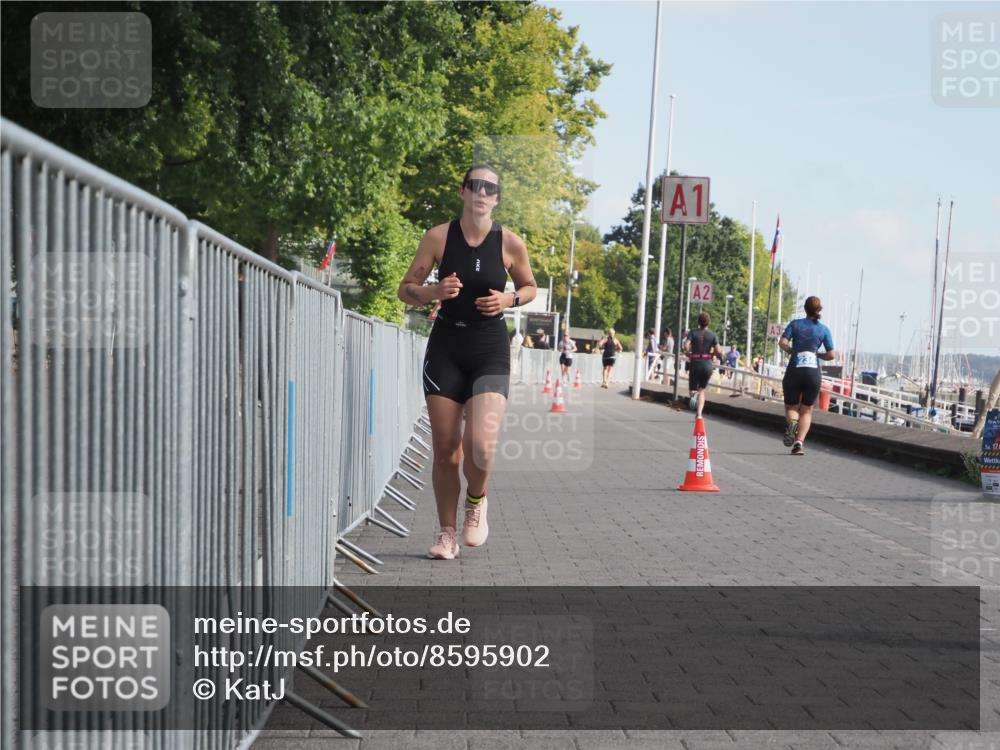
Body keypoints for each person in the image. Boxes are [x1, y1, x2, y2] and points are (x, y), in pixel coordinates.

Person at [397, 165, 537, 559]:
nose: (481, 192)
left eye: (489, 188)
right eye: (475, 185)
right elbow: (404, 289)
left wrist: (510, 300)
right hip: (446, 347)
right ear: (462, 192)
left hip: (489, 349)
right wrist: (432, 290)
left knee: (481, 447)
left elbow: (530, 287)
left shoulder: (509, 242)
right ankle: (446, 534)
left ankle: (476, 502)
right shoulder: (438, 237)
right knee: (446, 450)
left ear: (496, 198)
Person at [778, 296, 835, 455]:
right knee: (807, 410)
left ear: (805, 308)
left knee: (791, 407)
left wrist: (792, 351)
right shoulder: (823, 329)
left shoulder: (795, 324)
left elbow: (782, 343)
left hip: (794, 370)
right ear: (819, 310)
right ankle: (798, 443)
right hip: (812, 372)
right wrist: (818, 355)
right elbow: (831, 355)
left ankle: (792, 424)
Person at [683, 312, 722, 419]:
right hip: (707, 364)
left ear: (698, 322)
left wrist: (688, 353)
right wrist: (713, 354)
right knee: (702, 390)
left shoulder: (693, 332)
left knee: (692, 390)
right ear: (709, 322)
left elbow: (686, 346)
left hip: (695, 363)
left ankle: (694, 395)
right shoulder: (713, 335)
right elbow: (719, 350)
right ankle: (699, 414)